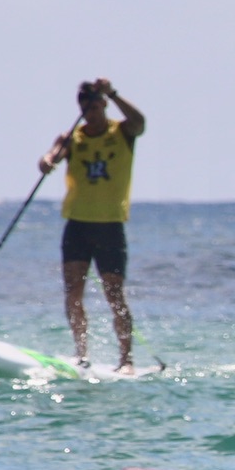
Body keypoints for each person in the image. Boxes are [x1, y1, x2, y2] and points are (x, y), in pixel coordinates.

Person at [39, 78, 146, 373]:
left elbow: (140, 121)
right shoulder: (72, 137)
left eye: (97, 107)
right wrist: (48, 161)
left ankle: (126, 360)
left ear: (104, 105)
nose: (91, 114)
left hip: (110, 226)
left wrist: (113, 92)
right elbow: (52, 155)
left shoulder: (122, 131)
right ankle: (81, 354)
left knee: (114, 294)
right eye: (86, 109)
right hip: (77, 225)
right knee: (73, 291)